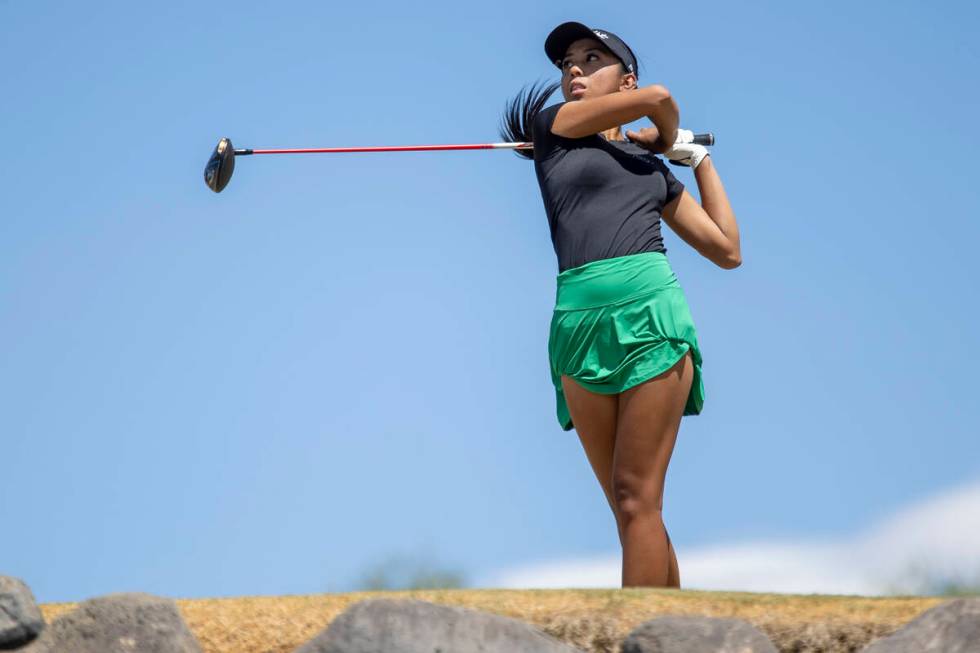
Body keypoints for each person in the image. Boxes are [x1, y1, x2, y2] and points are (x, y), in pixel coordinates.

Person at [499, 21, 741, 588]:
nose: (573, 70)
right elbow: (659, 102)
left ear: (625, 77)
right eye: (566, 65)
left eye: (590, 58)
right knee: (629, 507)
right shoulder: (552, 129)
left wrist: (691, 158)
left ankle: (640, 632)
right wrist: (657, 130)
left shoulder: (650, 172)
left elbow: (727, 250)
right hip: (577, 326)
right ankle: (675, 632)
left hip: (648, 312)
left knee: (637, 498)